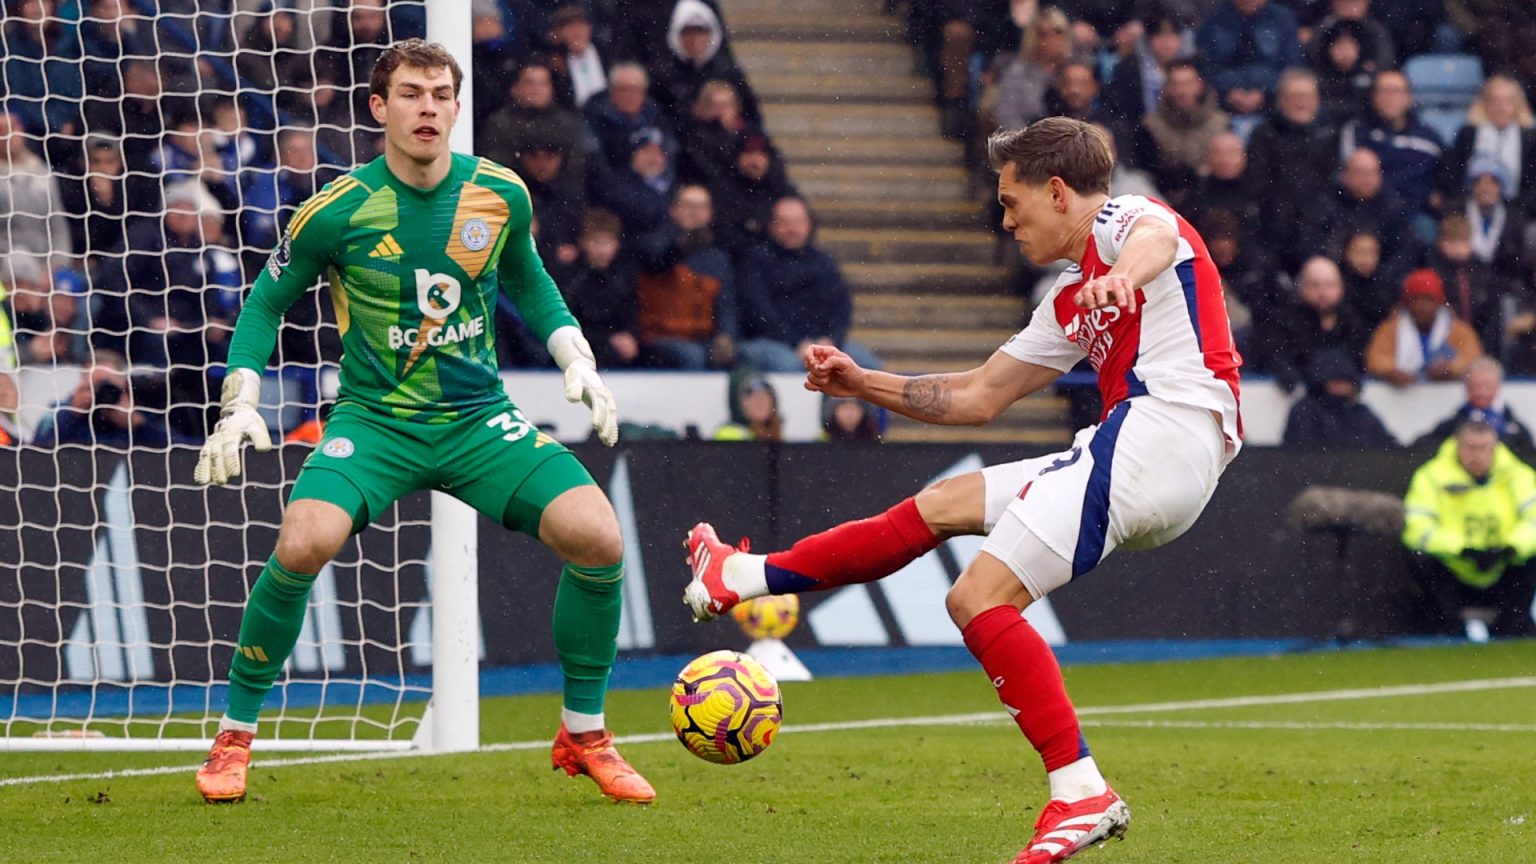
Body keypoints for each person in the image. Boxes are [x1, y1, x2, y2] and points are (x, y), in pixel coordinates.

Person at [685, 118, 1241, 864]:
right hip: (1147, 450)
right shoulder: (1071, 296)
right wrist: (862, 382)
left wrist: (1123, 277)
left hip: (1162, 432)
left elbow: (1157, 242)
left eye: (1013, 203)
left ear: (1057, 191)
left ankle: (1081, 792)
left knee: (977, 598)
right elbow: (976, 397)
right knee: (939, 506)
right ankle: (741, 577)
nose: (1006, 221)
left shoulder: (1125, 221)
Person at [189, 40, 652, 807]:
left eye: (441, 93)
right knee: (304, 539)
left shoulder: (500, 195)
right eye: (410, 93)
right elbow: (266, 303)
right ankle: (234, 737)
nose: (428, 107)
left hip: (479, 421)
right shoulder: (336, 210)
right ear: (380, 107)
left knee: (599, 536)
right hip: (376, 422)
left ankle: (584, 733)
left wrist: (576, 355)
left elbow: (531, 283)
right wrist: (240, 400)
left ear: (458, 106)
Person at [1403, 420, 1536, 640]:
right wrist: (1462, 550)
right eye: (1471, 447)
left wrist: (1510, 548)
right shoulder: (1431, 476)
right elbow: (1416, 529)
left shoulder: (1518, 475)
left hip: (1504, 567)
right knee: (1419, 556)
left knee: (1531, 555)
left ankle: (1513, 625)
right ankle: (1448, 627)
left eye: (1484, 448)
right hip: (1453, 568)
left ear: (1495, 448)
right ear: (1457, 446)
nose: (1477, 455)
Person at [1364, 269, 1483, 387]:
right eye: (1416, 299)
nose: (1422, 306)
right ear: (1407, 303)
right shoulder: (1390, 329)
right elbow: (1375, 359)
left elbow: (1473, 359)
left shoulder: (1458, 330)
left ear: (1439, 302)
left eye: (1428, 299)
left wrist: (1450, 368)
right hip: (1401, 398)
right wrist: (1392, 371)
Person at [1281, 347, 1394, 450]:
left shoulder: (1361, 414)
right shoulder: (1305, 411)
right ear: (1320, 383)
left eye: (1347, 382)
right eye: (1336, 382)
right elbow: (1305, 455)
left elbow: (1389, 449)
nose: (1342, 387)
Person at [1413, 358, 1536, 451]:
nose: (1481, 392)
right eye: (1475, 386)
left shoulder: (1516, 429)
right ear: (1466, 387)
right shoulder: (1451, 426)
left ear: (1498, 387)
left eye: (1487, 386)